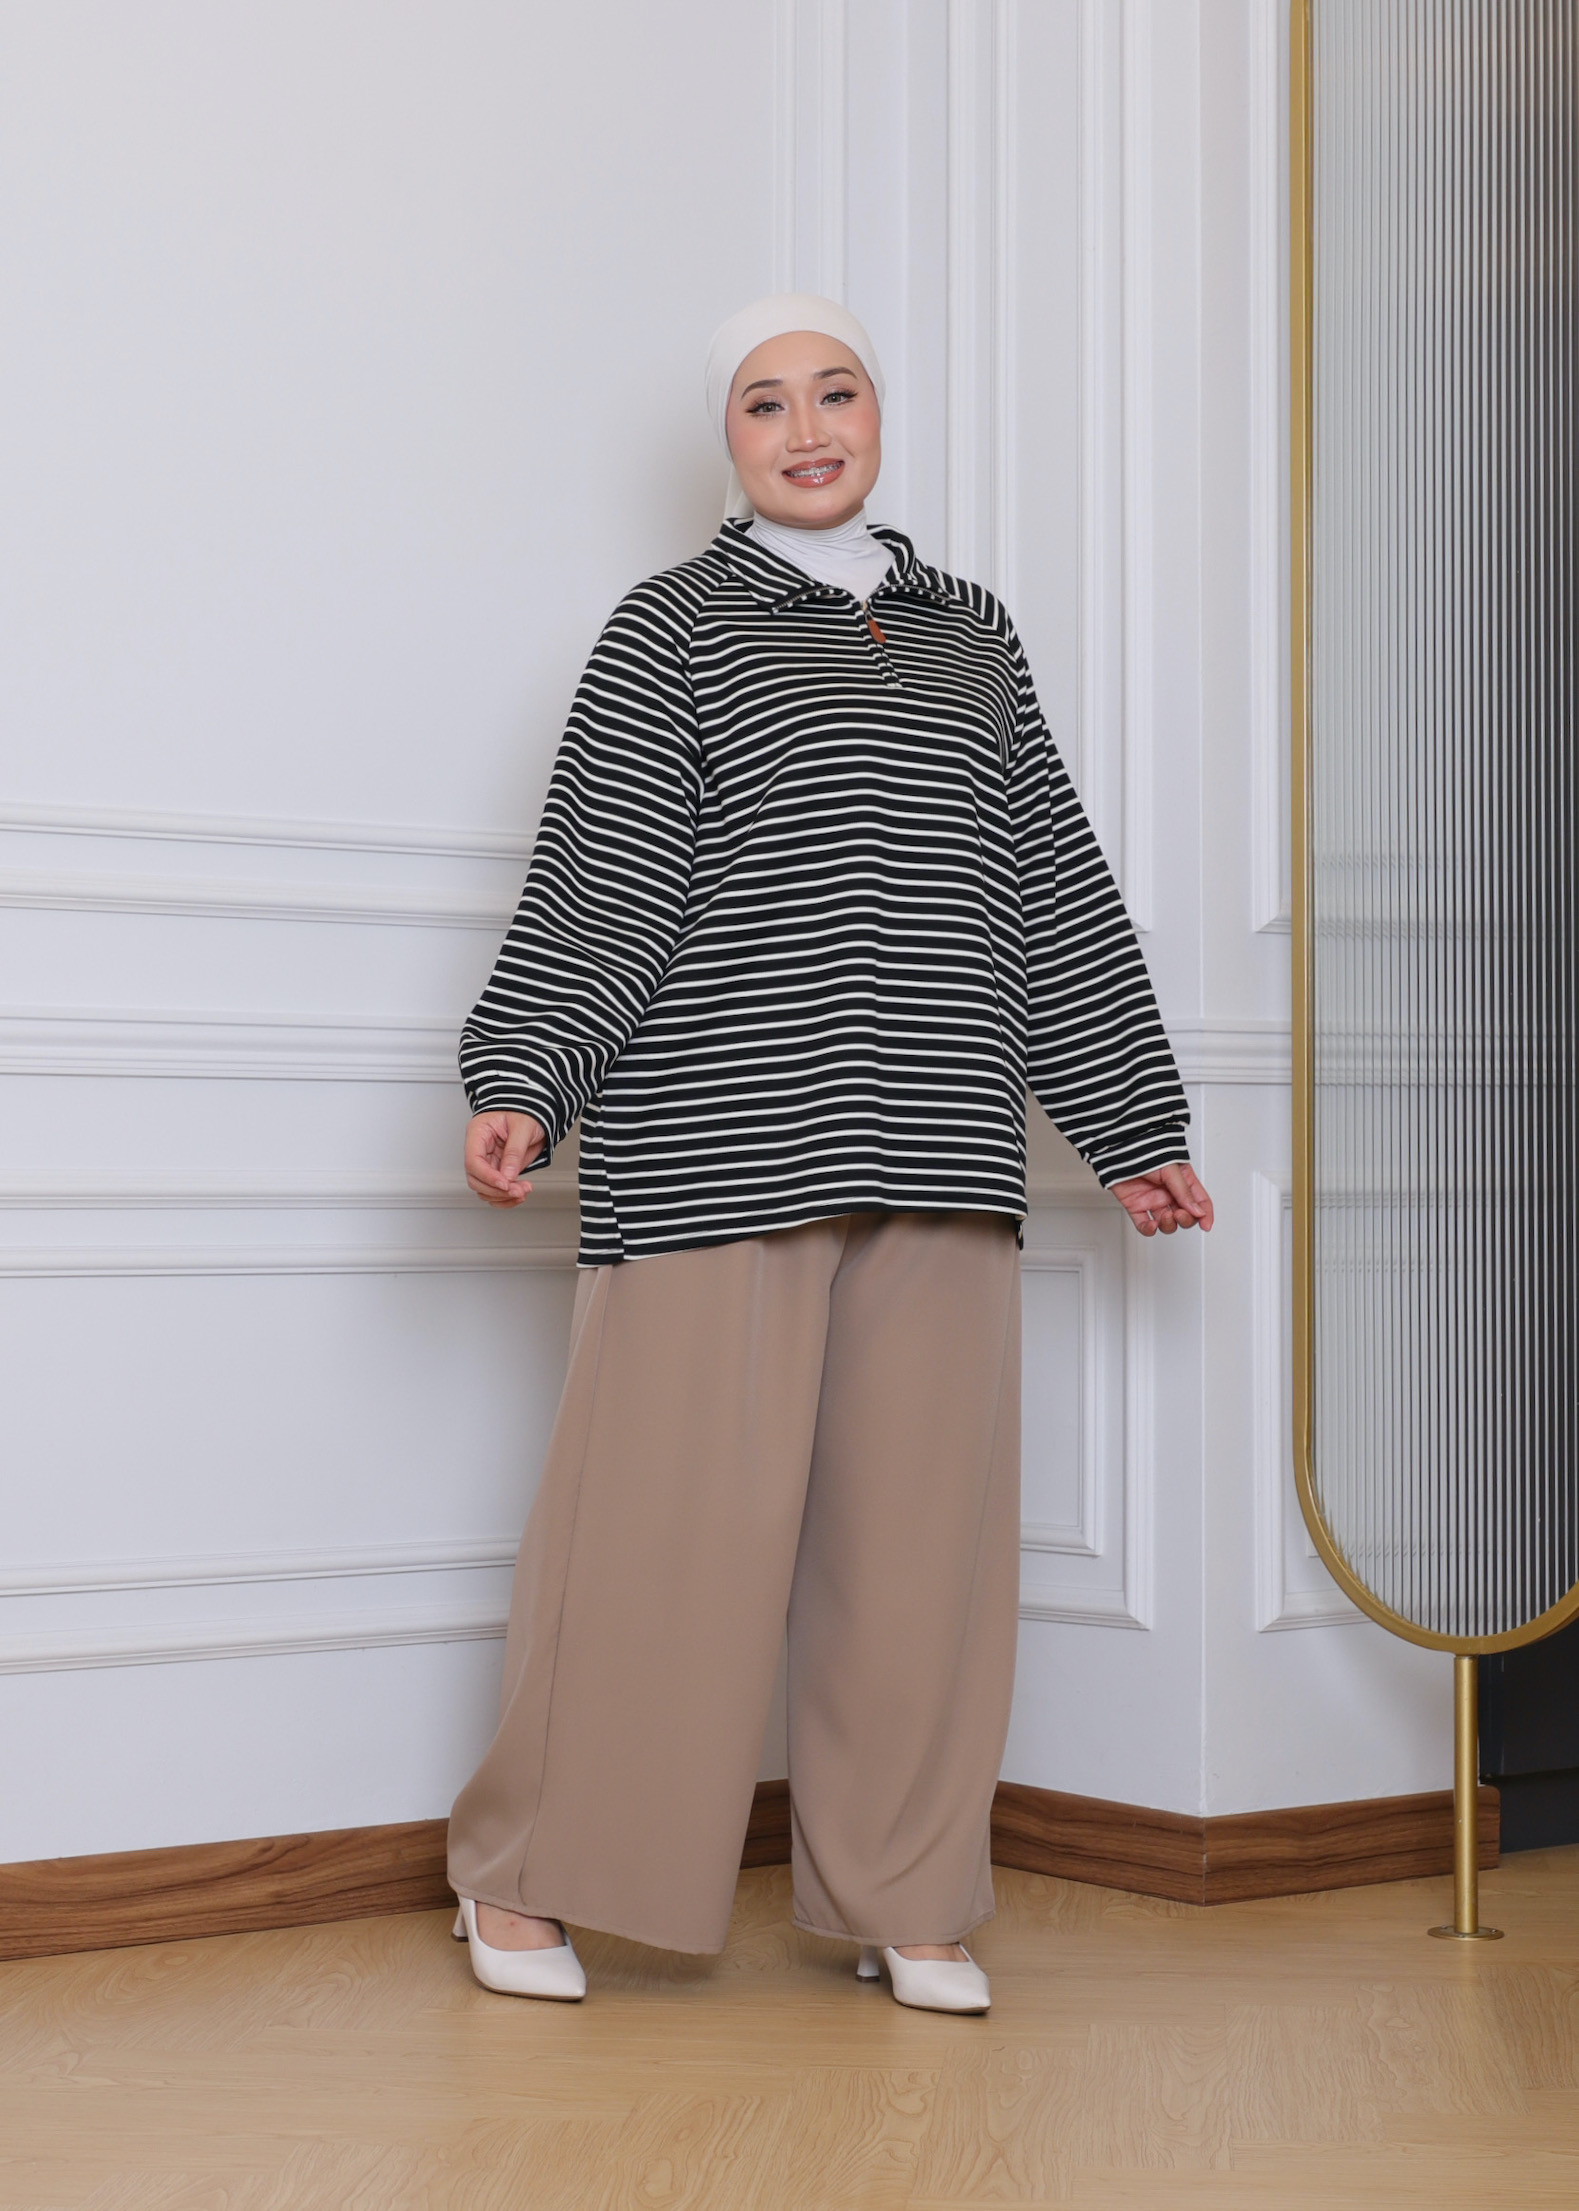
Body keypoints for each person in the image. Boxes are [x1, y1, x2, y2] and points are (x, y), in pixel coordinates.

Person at [445, 294, 1213, 2014]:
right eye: (766, 403)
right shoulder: (671, 626)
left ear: (878, 414)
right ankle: (527, 1872)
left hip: (941, 1138)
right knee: (659, 1538)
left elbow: (1051, 883)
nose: (807, 429)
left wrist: (1129, 1124)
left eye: (836, 393)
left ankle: (908, 1891)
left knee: (922, 1555)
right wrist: (530, 1077)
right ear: (726, 442)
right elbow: (609, 868)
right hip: (715, 1139)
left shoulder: (973, 635)